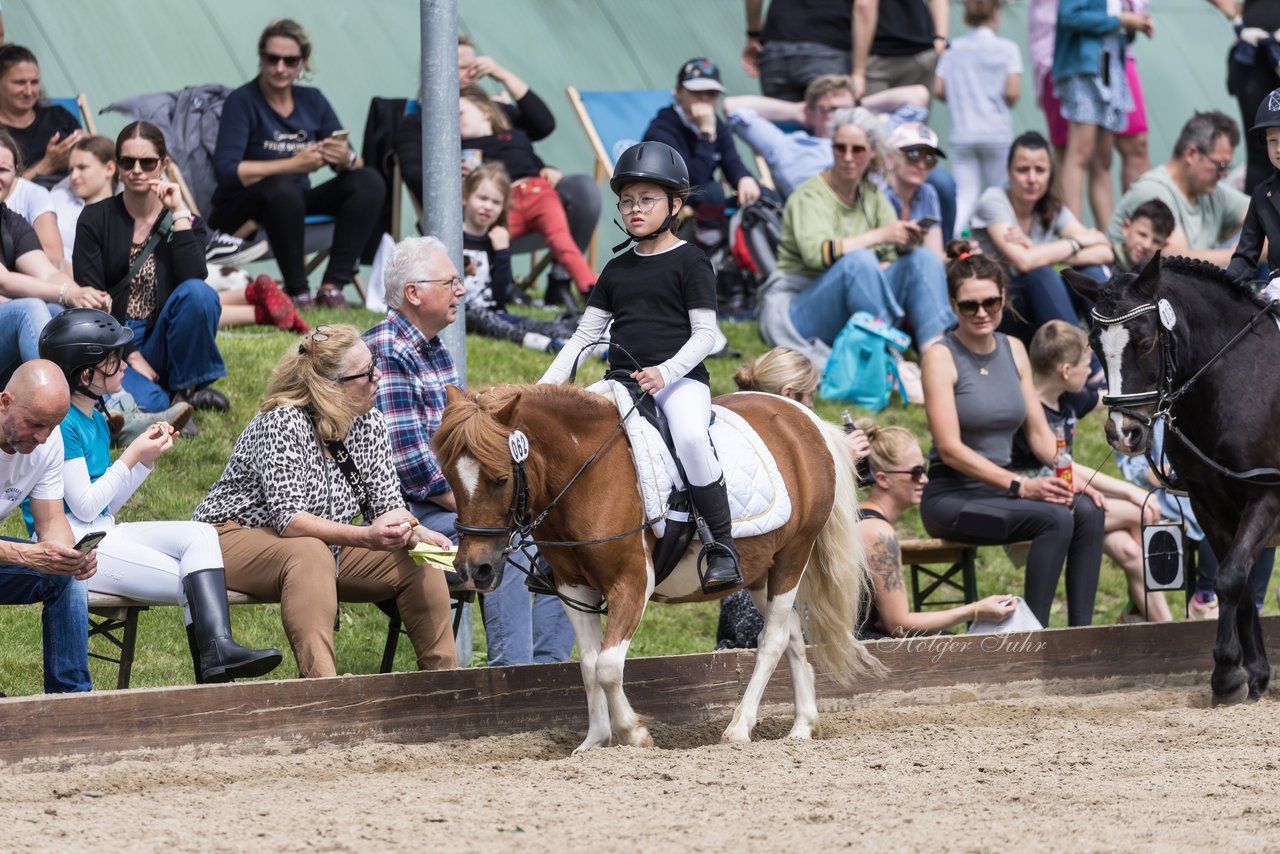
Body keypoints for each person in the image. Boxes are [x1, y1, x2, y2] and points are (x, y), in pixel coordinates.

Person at [192, 324, 457, 678]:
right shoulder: (282, 421)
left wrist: (415, 531)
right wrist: (365, 536)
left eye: (374, 363)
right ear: (332, 387)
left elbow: (387, 503)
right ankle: (323, 690)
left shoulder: (371, 422)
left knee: (420, 559)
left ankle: (445, 687)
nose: (379, 376)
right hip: (227, 537)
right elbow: (290, 520)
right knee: (310, 550)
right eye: (366, 373)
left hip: (320, 545)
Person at [37, 308, 283, 682]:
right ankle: (217, 673)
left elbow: (105, 506)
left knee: (200, 533)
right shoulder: (64, 424)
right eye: (114, 360)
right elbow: (84, 507)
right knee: (193, 583)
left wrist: (143, 463)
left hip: (103, 530)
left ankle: (218, 653)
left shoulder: (94, 419)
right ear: (85, 374)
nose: (123, 368)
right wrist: (132, 454)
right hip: (77, 549)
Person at [539, 142, 743, 593]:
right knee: (567, 436)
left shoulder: (692, 261)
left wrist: (666, 372)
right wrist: (542, 391)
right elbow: (584, 337)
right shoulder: (615, 269)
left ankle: (721, 545)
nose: (634, 209)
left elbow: (706, 336)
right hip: (621, 383)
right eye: (627, 201)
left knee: (690, 437)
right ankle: (550, 551)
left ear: (675, 204)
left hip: (680, 382)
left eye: (647, 200)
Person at [364, 236, 573, 666]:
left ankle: (548, 674)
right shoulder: (388, 348)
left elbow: (467, 454)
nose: (461, 290)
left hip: (449, 504)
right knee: (510, 545)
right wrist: (486, 507)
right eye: (452, 281)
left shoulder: (434, 349)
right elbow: (413, 470)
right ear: (414, 293)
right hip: (406, 518)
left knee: (563, 537)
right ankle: (514, 678)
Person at [919, 244, 1105, 627]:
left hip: (1001, 492)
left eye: (990, 302)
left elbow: (1039, 435)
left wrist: (1072, 479)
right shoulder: (940, 356)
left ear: (1004, 298)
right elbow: (951, 450)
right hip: (953, 496)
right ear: (954, 305)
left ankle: (1080, 636)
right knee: (1054, 519)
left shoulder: (1015, 348)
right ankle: (1031, 637)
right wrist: (1021, 485)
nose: (982, 312)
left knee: (1087, 509)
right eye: (970, 305)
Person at [209, 18, 385, 309]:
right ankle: (298, 292)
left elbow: (354, 158)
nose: (280, 68)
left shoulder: (312, 100)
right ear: (261, 58)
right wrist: (293, 165)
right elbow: (226, 171)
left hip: (295, 203)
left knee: (368, 180)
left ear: (302, 63)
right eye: (272, 59)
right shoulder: (242, 101)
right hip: (241, 208)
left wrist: (345, 158)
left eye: (290, 61)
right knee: (282, 188)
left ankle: (332, 287)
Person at [760, 107, 953, 365]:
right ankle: (890, 358)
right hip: (800, 305)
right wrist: (879, 236)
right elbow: (817, 254)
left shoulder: (872, 195)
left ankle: (936, 359)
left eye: (857, 150)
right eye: (840, 148)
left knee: (924, 259)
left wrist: (904, 244)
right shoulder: (809, 196)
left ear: (872, 151)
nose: (848, 157)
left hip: (856, 302)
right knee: (858, 262)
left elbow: (887, 256)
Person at [1009, 320, 1172, 622]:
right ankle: (1166, 629)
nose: (1092, 375)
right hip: (1038, 502)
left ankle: (1144, 618)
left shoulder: (1067, 398)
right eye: (1088, 365)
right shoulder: (1029, 412)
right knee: (1142, 512)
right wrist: (1132, 491)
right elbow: (1062, 468)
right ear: (1066, 372)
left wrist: (1152, 385)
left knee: (1131, 553)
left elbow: (1110, 396)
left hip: (1071, 497)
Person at [72, 121, 235, 422]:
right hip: (114, 338)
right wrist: (130, 353)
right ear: (117, 166)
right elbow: (92, 301)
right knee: (152, 401)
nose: (137, 170)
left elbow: (193, 280)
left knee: (200, 294)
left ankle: (185, 388)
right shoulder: (95, 218)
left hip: (164, 333)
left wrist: (179, 212)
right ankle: (174, 398)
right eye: (127, 161)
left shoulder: (186, 221)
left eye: (147, 162)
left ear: (164, 164)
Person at [717, 346, 874, 648]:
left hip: (738, 587)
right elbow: (796, 514)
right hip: (765, 599)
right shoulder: (776, 444)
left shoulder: (731, 426)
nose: (813, 404)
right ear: (789, 395)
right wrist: (839, 464)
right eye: (810, 395)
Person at [858, 421, 1019, 637]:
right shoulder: (878, 533)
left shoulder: (860, 517)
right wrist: (976, 610)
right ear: (883, 479)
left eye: (924, 470)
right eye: (915, 472)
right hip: (859, 651)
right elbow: (898, 625)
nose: (925, 479)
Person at [0, 360, 95, 693]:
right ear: (5, 402)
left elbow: (52, 519)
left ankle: (71, 702)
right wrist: (27, 555)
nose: (42, 437)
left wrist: (67, 557)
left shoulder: (47, 441)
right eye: (35, 424)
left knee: (63, 577)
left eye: (52, 427)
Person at [969, 131, 1113, 347]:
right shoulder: (994, 200)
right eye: (1023, 170)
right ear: (1008, 172)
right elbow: (1024, 262)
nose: (1032, 179)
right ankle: (1085, 367)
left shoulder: (1051, 206)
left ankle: (1114, 354)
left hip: (1043, 302)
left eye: (1040, 170)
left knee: (1090, 272)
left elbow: (1105, 250)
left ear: (1050, 174)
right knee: (1040, 275)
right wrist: (1074, 243)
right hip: (1002, 308)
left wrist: (1040, 251)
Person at [449, 86, 596, 297]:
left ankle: (589, 289)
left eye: (460, 113)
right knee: (491, 239)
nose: (455, 120)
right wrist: (471, 177)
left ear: (485, 111)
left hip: (539, 193)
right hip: (504, 204)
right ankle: (503, 290)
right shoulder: (461, 149)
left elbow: (530, 161)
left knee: (561, 239)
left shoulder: (514, 136)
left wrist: (547, 168)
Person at [0, 129, 110, 386]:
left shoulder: (11, 222)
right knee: (29, 308)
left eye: (3, 170)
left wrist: (83, 295)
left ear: (16, 173)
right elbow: (3, 280)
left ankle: (116, 405)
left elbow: (46, 271)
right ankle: (66, 408)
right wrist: (65, 293)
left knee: (58, 312)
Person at [725, 74, 930, 199]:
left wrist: (859, 109)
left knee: (933, 183)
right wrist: (797, 112)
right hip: (817, 222)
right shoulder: (790, 146)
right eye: (828, 110)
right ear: (811, 113)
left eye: (843, 109)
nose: (837, 115)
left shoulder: (873, 137)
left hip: (873, 216)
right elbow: (733, 107)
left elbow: (918, 97)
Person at [460, 163, 579, 353]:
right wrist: (461, 271)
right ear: (465, 197)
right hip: (464, 314)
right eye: (482, 198)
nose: (488, 207)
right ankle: (539, 343)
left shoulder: (497, 238)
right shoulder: (452, 235)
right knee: (479, 317)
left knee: (532, 322)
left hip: (496, 312)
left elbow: (503, 295)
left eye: (496, 202)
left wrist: (502, 252)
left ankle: (587, 345)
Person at [1053, 0, 1152, 224]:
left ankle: (1106, 241)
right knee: (1079, 153)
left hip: (1111, 67)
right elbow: (1070, 16)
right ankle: (1073, 235)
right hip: (1084, 68)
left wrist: (1132, 23)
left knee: (1102, 160)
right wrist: (1121, 20)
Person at [1107, 111, 1249, 268]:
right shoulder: (1152, 191)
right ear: (1191, 154)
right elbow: (1177, 260)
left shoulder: (1213, 191)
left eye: (1227, 167)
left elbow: (1264, 212)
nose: (1225, 174)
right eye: (1221, 165)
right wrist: (1246, 254)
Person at [934, 0, 1022, 233]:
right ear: (996, 11)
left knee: (965, 196)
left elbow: (939, 89)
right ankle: (1006, 248)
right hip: (997, 133)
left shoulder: (952, 49)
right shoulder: (1007, 48)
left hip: (963, 133)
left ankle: (952, 245)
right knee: (1000, 195)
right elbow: (1013, 92)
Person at [644, 57, 762, 209]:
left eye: (712, 93)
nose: (704, 97)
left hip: (706, 207)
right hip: (670, 207)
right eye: (696, 91)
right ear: (679, 92)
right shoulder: (661, 130)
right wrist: (706, 134)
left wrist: (743, 178)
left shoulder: (716, 125)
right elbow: (690, 182)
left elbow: (732, 161)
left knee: (761, 194)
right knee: (713, 192)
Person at [0, 45, 82, 189]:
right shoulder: (3, 134)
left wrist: (87, 146)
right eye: (19, 82)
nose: (29, 91)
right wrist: (46, 165)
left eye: (35, 82)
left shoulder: (58, 115)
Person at [742, 0, 855, 101]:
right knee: (830, 118)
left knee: (780, 120)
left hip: (778, 43)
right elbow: (864, 5)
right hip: (829, 45)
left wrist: (753, 35)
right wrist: (859, 70)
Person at [1228, 87, 1280, 284]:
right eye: (1272, 141)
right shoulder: (1261, 194)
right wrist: (1224, 283)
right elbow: (1246, 256)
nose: (1279, 149)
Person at [852, 0, 949, 101]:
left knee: (872, 115)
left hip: (877, 54)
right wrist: (940, 39)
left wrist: (859, 71)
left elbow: (864, 5)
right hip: (920, 50)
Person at [881, 121, 946, 260]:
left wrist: (958, 256)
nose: (922, 165)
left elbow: (935, 256)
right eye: (913, 155)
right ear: (891, 158)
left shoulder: (928, 193)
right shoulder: (877, 192)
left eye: (929, 159)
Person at [51, 135, 116, 261]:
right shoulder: (57, 197)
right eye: (71, 170)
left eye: (82, 168)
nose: (74, 176)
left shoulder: (119, 216)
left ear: (109, 169)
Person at [1110, 198, 1174, 272]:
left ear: (1163, 247)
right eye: (1142, 234)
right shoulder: (1103, 263)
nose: (1147, 245)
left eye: (1156, 241)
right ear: (1126, 228)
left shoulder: (1160, 277)